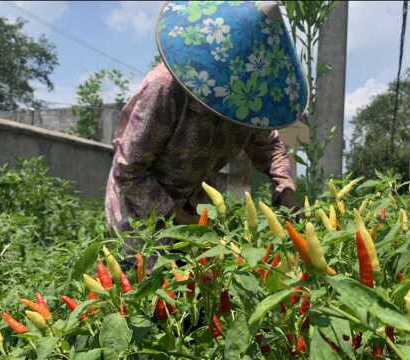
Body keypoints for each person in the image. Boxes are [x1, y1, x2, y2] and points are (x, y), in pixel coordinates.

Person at [105, 1, 307, 237]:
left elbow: (270, 147)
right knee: (139, 271)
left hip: (192, 205)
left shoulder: (251, 100)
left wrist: (285, 188)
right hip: (140, 210)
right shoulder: (164, 89)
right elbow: (129, 171)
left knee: (196, 270)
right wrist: (182, 222)